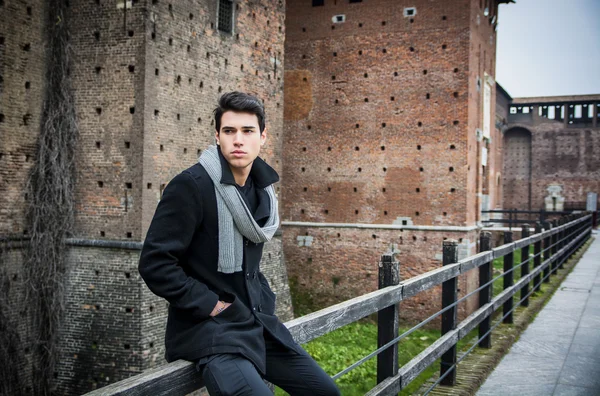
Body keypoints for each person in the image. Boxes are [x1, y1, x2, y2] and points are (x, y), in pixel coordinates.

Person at [138, 92, 340, 395]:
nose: (238, 140)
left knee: (325, 392)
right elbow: (155, 263)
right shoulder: (191, 186)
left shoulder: (263, 191)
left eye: (247, 131)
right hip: (210, 330)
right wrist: (213, 305)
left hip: (255, 323)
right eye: (229, 131)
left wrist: (265, 296)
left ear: (263, 136)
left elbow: (250, 264)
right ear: (217, 136)